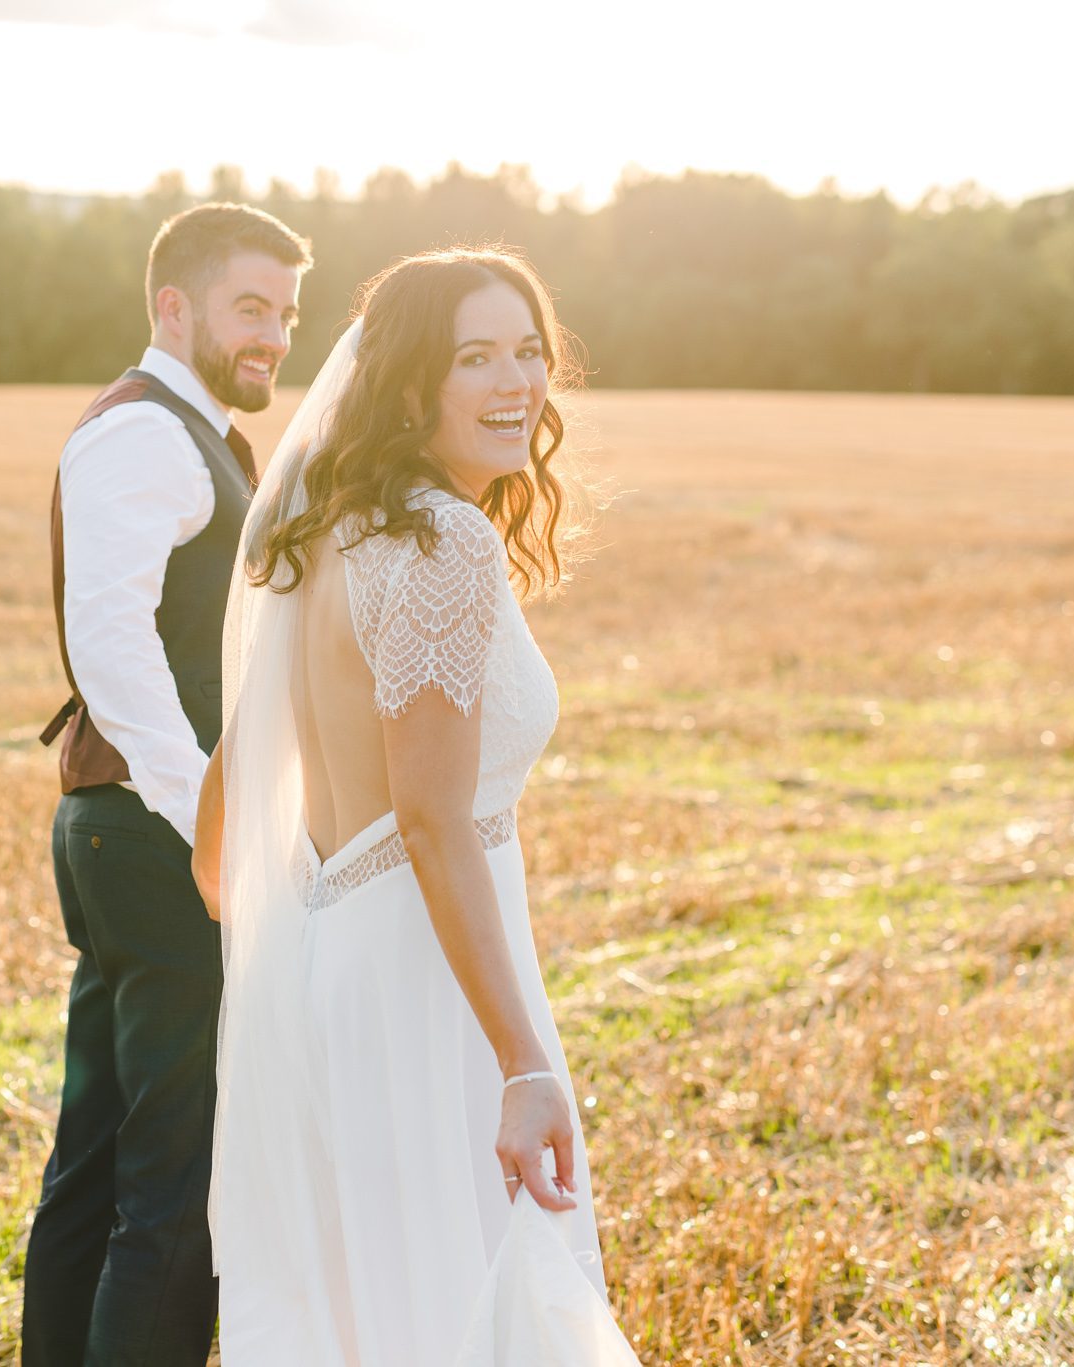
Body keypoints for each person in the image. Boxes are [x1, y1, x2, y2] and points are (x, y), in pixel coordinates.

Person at [191, 248, 640, 1365]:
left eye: (529, 353)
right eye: (473, 357)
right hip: (427, 980)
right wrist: (523, 1063)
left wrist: (296, 958)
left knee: (373, 1310)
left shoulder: (322, 531)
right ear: (407, 384)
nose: (514, 383)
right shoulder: (441, 540)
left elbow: (219, 828)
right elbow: (432, 821)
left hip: (342, 964)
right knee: (463, 1309)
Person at [24, 201, 311, 1367]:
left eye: (286, 315)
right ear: (172, 306)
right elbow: (110, 639)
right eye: (251, 308)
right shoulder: (145, 434)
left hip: (124, 832)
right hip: (156, 839)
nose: (273, 337)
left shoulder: (184, 429)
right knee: (172, 1184)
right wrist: (212, 820)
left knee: (97, 1164)